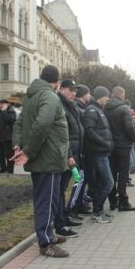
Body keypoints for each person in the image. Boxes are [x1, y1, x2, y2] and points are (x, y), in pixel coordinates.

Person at [11, 65, 70, 257]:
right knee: (47, 201)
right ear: (57, 82)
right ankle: (46, 243)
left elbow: (19, 124)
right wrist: (27, 151)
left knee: (43, 199)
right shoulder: (49, 96)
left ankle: (48, 234)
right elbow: (43, 123)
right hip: (49, 158)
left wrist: (17, 145)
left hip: (43, 158)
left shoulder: (30, 96)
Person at [54, 80, 84, 238]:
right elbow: (63, 135)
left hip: (73, 154)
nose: (73, 93)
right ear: (62, 89)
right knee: (59, 191)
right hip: (66, 155)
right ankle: (60, 225)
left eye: (75, 90)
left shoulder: (70, 105)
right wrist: (69, 155)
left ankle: (64, 218)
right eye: (70, 90)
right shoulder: (59, 104)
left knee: (63, 189)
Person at [105, 86, 135, 212]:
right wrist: (133, 139)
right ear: (122, 95)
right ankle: (123, 201)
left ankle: (113, 201)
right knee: (123, 173)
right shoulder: (124, 108)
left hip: (110, 144)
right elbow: (129, 127)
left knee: (112, 173)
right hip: (123, 145)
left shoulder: (105, 108)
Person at [83, 86, 115, 223]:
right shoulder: (91, 110)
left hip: (102, 151)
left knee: (103, 182)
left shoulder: (98, 110)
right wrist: (104, 143)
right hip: (97, 152)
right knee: (109, 183)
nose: (108, 99)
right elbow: (89, 131)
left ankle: (99, 210)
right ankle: (96, 212)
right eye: (106, 96)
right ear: (100, 96)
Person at [0, 99, 16, 174]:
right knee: (0, 153)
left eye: (2, 104)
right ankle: (3, 168)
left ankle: (10, 170)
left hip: (7, 137)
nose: (0, 105)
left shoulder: (11, 111)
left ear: (7, 104)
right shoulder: (1, 111)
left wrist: (4, 111)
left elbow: (10, 120)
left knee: (9, 155)